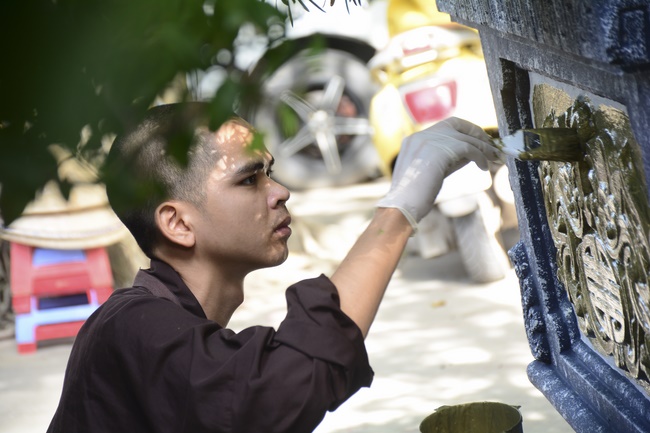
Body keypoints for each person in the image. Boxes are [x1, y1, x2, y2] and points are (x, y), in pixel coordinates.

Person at [47, 102, 497, 433]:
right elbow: (282, 387)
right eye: (249, 179)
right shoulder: (129, 326)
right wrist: (398, 211)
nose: (280, 191)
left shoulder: (163, 320)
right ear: (179, 224)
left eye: (269, 172)